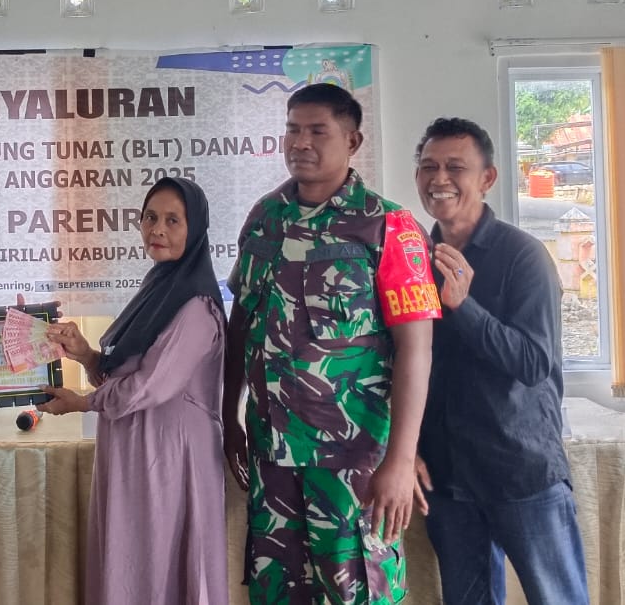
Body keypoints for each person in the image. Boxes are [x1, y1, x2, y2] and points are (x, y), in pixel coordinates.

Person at [221, 83, 442, 605]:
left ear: (352, 140)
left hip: (353, 460)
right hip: (272, 454)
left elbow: (416, 349)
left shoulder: (389, 225)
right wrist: (229, 415)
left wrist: (400, 458)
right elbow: (241, 325)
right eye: (292, 129)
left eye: (317, 131)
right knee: (278, 592)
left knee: (356, 592)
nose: (300, 142)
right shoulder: (264, 218)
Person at [412, 117, 589, 604]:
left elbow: (533, 363)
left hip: (519, 469)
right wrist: (409, 447)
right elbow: (402, 364)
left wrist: (462, 306)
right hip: (447, 475)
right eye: (428, 167)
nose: (439, 179)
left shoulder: (523, 256)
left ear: (487, 178)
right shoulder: (413, 258)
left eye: (455, 167)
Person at [37, 177, 229, 605]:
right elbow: (123, 375)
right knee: (132, 558)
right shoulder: (158, 289)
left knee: (160, 561)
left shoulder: (196, 305)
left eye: (173, 220)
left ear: (195, 228)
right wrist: (86, 355)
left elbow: (150, 386)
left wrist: (83, 403)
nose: (157, 229)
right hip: (135, 447)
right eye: (150, 218)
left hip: (171, 454)